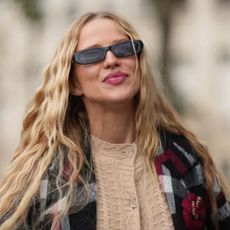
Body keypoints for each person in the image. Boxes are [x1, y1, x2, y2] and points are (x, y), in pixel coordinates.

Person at [0, 11, 230, 230]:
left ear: (138, 65)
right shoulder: (46, 175)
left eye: (123, 48)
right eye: (92, 54)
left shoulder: (187, 158)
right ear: (74, 83)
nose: (111, 59)